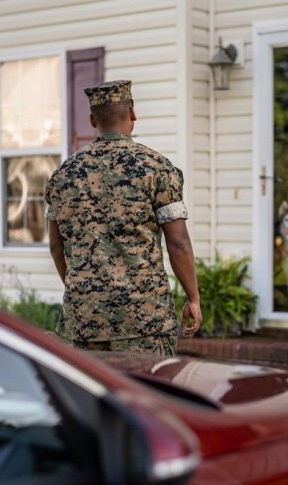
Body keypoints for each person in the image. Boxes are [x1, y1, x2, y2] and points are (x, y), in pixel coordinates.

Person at [44, 80, 201, 355]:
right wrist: (193, 298)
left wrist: (85, 294)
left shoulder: (63, 176)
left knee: (93, 397)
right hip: (145, 321)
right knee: (148, 394)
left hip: (85, 321)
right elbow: (178, 244)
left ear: (93, 120)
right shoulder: (157, 169)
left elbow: (56, 247)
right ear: (133, 114)